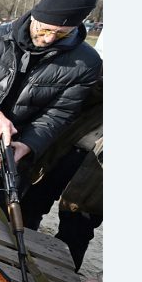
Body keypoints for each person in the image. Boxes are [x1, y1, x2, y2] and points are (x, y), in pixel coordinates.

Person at [0, 0, 103, 212]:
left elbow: (59, 114)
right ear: (34, 17)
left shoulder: (87, 63)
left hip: (21, 142)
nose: (49, 39)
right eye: (43, 30)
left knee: (3, 206)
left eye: (61, 33)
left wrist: (29, 144)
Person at [24, 76, 103, 271]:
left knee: (77, 226)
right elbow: (85, 96)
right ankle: (17, 255)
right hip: (69, 150)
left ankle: (61, 279)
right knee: (31, 204)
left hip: (99, 172)